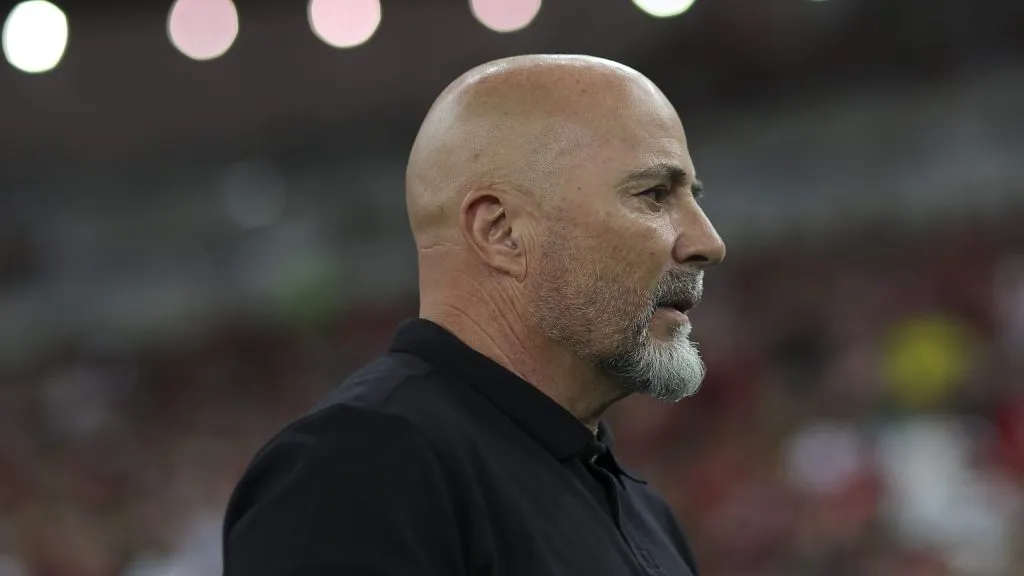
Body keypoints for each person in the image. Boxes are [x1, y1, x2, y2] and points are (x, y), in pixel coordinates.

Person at [222, 54, 726, 576]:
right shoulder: (358, 470)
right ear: (501, 231)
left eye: (694, 196)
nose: (709, 242)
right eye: (654, 195)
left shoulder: (647, 515)